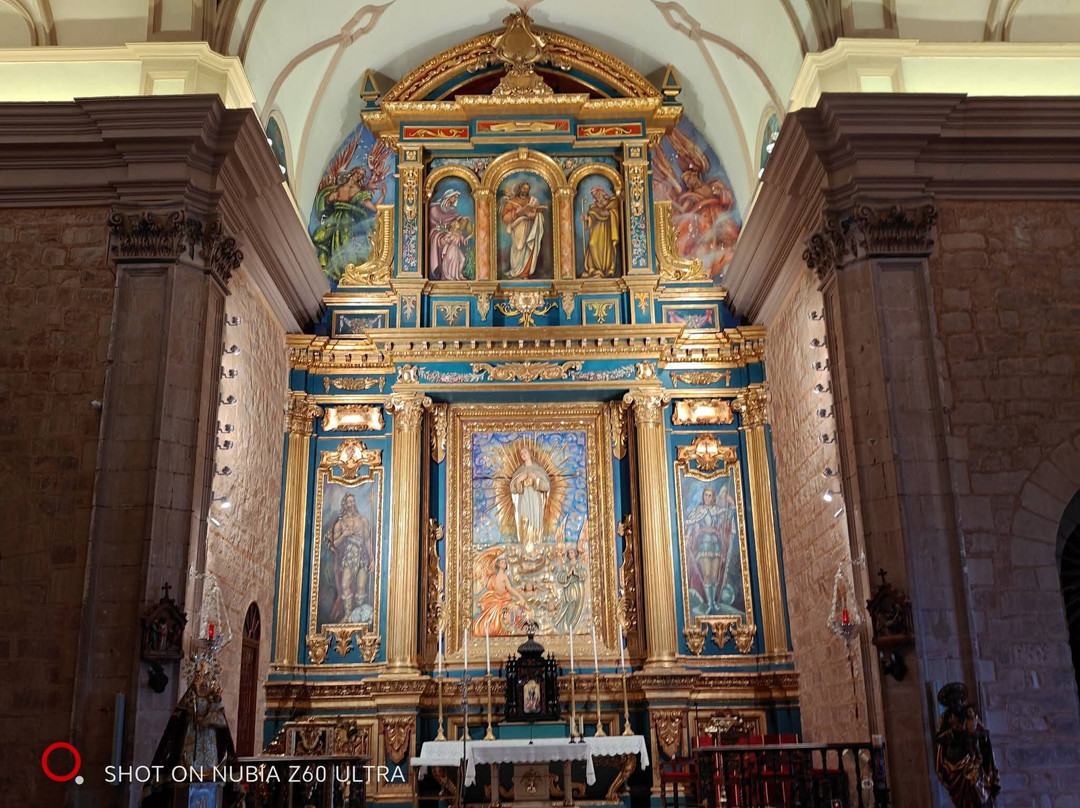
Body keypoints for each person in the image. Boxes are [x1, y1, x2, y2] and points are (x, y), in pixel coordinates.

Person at [935, 683, 1000, 808]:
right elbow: (938, 737)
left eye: (958, 700)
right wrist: (952, 733)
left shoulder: (969, 714)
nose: (956, 704)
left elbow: (980, 730)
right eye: (952, 701)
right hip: (954, 763)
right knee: (963, 800)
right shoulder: (945, 718)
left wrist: (981, 737)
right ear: (948, 703)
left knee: (978, 788)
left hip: (972, 759)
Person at [320, 493, 374, 625]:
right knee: (345, 585)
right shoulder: (340, 523)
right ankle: (348, 614)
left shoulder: (363, 521)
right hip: (349, 556)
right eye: (349, 502)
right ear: (345, 504)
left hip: (362, 556)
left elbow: (367, 541)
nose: (352, 504)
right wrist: (344, 534)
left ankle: (358, 615)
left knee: (361, 587)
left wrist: (372, 559)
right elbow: (335, 543)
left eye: (353, 501)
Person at [686, 486, 736, 615]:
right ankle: (709, 604)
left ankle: (713, 602)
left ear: (713, 498)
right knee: (707, 575)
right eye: (705, 495)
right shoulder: (698, 511)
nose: (707, 498)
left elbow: (728, 517)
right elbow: (690, 526)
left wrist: (732, 503)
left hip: (716, 546)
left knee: (714, 576)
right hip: (704, 545)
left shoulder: (717, 511)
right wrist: (701, 531)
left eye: (710, 496)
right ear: (703, 497)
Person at [473, 556, 530, 636]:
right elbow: (505, 589)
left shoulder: (503, 577)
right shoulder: (494, 577)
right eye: (502, 562)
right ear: (498, 564)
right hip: (496, 600)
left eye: (505, 562)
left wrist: (520, 597)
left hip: (503, 599)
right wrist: (520, 597)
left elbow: (510, 589)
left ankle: (517, 628)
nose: (504, 564)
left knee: (515, 611)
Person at [499, 181, 546, 278]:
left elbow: (537, 213)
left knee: (528, 248)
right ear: (520, 188)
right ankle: (515, 271)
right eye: (523, 188)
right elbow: (504, 218)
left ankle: (525, 273)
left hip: (530, 227)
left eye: (527, 189)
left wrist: (535, 215)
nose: (525, 191)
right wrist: (516, 213)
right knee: (518, 249)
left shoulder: (533, 201)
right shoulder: (511, 202)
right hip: (518, 228)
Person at [509, 446, 550, 550]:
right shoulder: (520, 471)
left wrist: (535, 478)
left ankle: (536, 543)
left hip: (535, 498)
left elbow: (546, 486)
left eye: (525, 452)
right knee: (524, 518)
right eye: (521, 453)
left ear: (530, 454)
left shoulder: (538, 470)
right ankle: (525, 544)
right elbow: (512, 489)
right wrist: (518, 481)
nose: (523, 454)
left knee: (535, 518)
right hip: (524, 498)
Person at [428, 188, 472, 280]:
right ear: (449, 197)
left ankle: (458, 275)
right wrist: (442, 237)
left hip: (454, 246)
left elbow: (456, 219)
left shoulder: (453, 212)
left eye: (456, 198)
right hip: (445, 242)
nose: (455, 200)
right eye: (454, 197)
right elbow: (433, 227)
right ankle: (448, 276)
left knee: (462, 259)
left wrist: (464, 219)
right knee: (449, 259)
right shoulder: (435, 209)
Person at [581, 185, 620, 277]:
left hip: (608, 231)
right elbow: (592, 219)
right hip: (597, 229)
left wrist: (610, 213)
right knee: (592, 244)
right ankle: (595, 269)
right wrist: (587, 219)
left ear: (601, 193)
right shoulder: (593, 207)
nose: (596, 197)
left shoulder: (613, 203)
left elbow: (617, 216)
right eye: (594, 196)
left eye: (596, 195)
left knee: (608, 248)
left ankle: (607, 270)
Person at [551, 545, 587, 632]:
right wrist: (567, 574)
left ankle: (571, 624)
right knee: (571, 602)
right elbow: (559, 576)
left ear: (575, 554)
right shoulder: (565, 565)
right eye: (569, 553)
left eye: (571, 552)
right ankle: (567, 624)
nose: (570, 554)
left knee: (576, 605)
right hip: (569, 588)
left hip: (578, 587)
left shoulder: (579, 564)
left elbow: (584, 573)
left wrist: (577, 573)